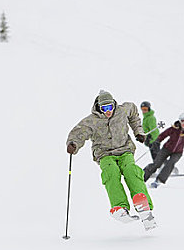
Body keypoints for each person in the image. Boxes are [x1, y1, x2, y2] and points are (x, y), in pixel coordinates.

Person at [66, 91, 157, 230]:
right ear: (98, 107)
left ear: (114, 104)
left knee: (131, 170)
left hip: (124, 150)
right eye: (104, 108)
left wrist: (138, 131)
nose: (108, 111)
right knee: (111, 172)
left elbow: (133, 113)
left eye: (109, 107)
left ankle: (144, 207)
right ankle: (120, 207)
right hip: (104, 154)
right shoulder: (92, 120)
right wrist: (73, 144)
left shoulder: (123, 110)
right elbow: (78, 132)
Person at [144, 112, 184, 188]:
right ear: (180, 121)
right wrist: (157, 141)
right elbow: (163, 135)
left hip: (177, 152)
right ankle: (143, 176)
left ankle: (159, 180)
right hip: (166, 149)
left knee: (170, 163)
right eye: (182, 121)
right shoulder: (173, 129)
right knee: (157, 163)